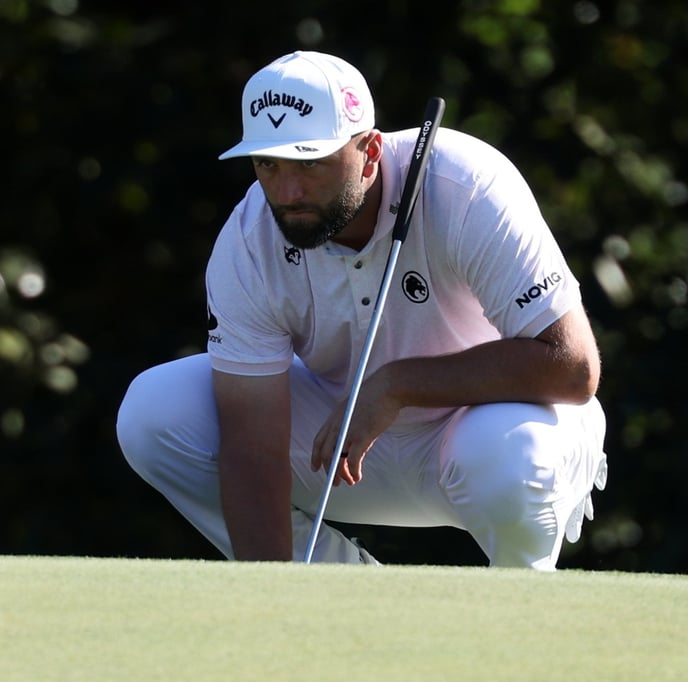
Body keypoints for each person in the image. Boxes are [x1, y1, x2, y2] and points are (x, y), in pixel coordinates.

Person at [116, 51, 607, 570]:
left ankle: (519, 606)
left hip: (487, 431)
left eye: (310, 163)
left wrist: (396, 385)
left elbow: (572, 367)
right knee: (155, 413)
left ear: (369, 152)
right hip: (338, 440)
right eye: (268, 164)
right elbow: (251, 449)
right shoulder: (248, 240)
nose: (287, 193)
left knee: (511, 454)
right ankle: (335, 595)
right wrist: (271, 595)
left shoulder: (464, 185)